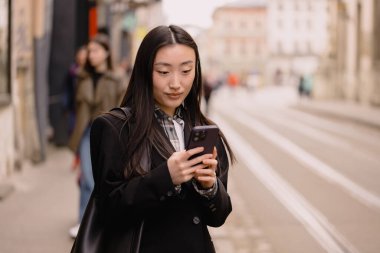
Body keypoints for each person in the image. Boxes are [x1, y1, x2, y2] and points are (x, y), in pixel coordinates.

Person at [71, 25, 236, 253]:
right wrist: (166, 177)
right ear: (144, 71)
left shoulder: (203, 130)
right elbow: (108, 209)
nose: (176, 83)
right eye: (164, 72)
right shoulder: (115, 128)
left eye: (186, 71)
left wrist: (209, 187)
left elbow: (218, 217)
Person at [67, 34, 125, 238]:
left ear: (106, 53)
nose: (90, 55)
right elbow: (78, 107)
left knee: (105, 178)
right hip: (85, 132)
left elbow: (122, 108)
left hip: (109, 134)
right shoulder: (82, 76)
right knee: (86, 179)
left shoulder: (117, 78)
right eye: (89, 50)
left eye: (95, 50)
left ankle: (103, 220)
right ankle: (84, 222)